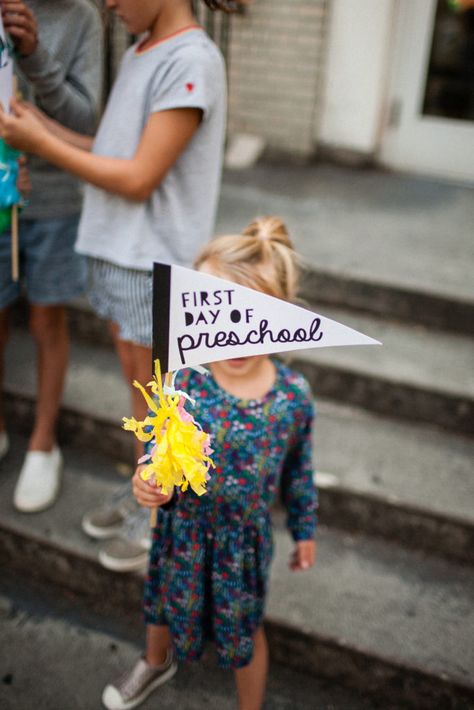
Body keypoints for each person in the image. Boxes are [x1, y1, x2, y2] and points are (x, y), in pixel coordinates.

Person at [0, 0, 230, 561]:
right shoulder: (141, 49)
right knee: (142, 396)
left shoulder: (190, 58)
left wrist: (44, 145)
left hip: (147, 261)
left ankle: (161, 519)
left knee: (159, 405)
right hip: (118, 256)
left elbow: (137, 178)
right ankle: (146, 493)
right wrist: (41, 128)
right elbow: (112, 149)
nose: (108, 3)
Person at [101, 217, 318, 710]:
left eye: (252, 317)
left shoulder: (292, 397)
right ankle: (156, 662)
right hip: (181, 532)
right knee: (159, 607)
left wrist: (305, 527)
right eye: (220, 316)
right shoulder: (186, 385)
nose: (235, 336)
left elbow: (299, 470)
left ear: (282, 314)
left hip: (242, 546)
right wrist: (150, 486)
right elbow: (158, 456)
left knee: (246, 632)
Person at [0, 0, 102, 512]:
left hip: (55, 198)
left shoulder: (82, 17)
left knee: (46, 318)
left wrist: (35, 54)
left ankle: (43, 443)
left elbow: (87, 120)